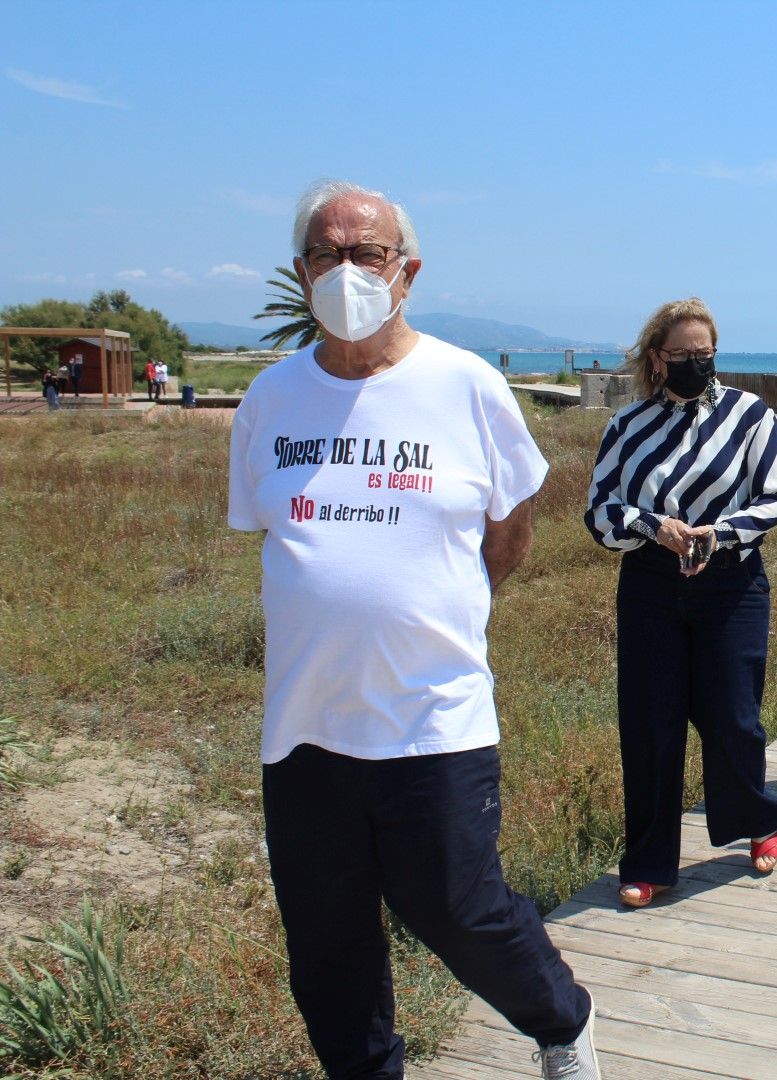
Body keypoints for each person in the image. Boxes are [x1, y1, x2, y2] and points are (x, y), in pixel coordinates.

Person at [227, 179, 598, 1080]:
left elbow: (508, 528)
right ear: (301, 270)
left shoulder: (465, 386)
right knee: (327, 945)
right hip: (305, 728)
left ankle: (562, 1021)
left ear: (407, 271)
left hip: (433, 716)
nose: (346, 270)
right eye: (327, 254)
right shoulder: (271, 402)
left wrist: (444, 608)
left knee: (459, 911)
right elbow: (272, 535)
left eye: (368, 253)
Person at [585, 298, 777, 908]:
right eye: (682, 356)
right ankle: (649, 862)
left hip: (731, 583)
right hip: (651, 585)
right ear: (657, 357)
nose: (696, 365)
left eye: (705, 355)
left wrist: (718, 533)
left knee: (734, 714)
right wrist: (654, 526)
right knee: (651, 725)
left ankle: (756, 820)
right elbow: (600, 510)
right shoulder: (627, 425)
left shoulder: (750, 416)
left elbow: (775, 497)